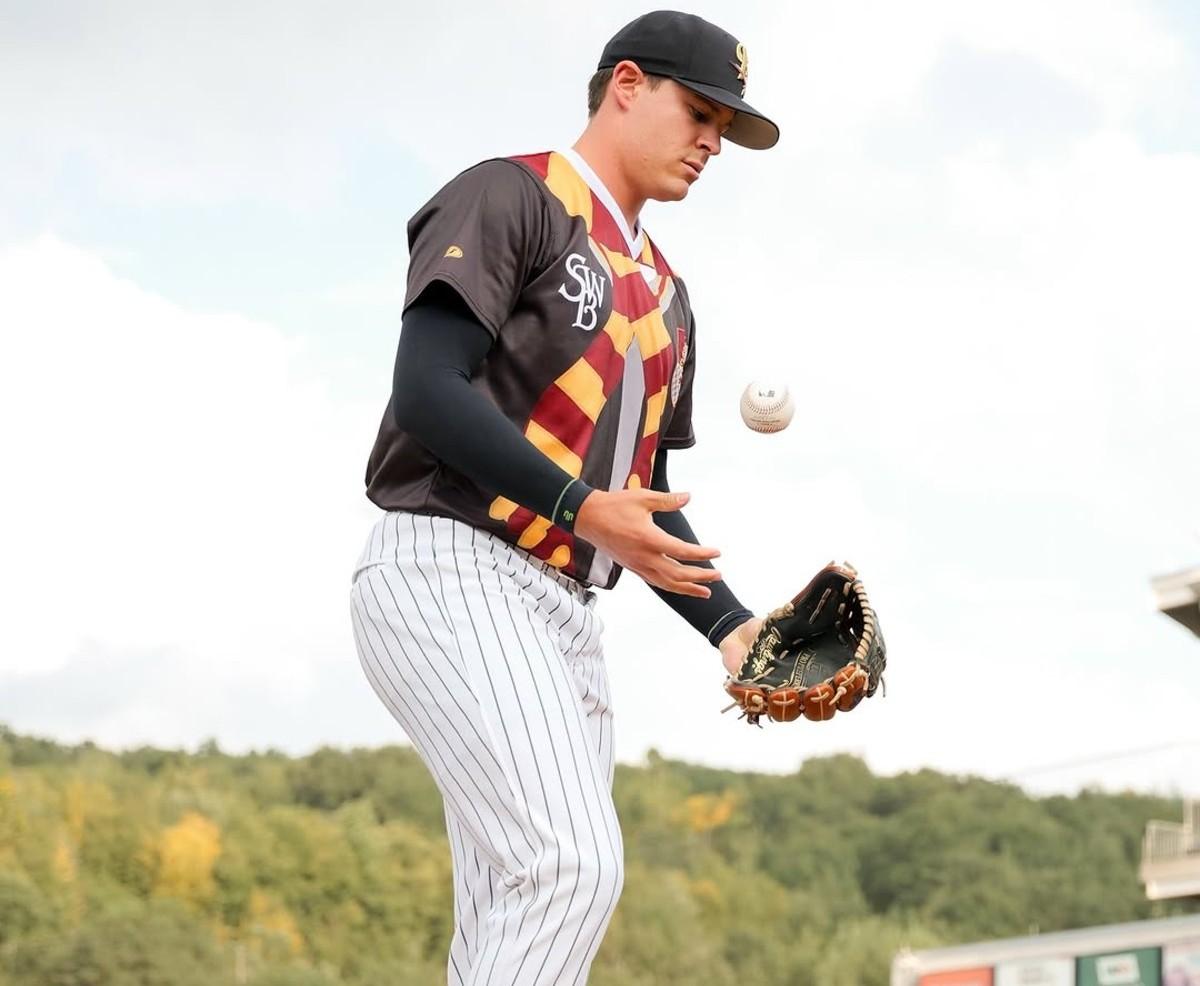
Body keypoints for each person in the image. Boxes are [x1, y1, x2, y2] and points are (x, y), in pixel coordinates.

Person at [348, 11, 778, 984]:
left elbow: (640, 498)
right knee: (568, 864)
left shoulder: (667, 296)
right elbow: (426, 389)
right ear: (626, 84)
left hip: (564, 609)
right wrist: (582, 507)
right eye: (700, 112)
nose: (713, 142)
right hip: (451, 564)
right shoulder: (515, 195)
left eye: (725, 127)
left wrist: (732, 625)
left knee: (516, 903)